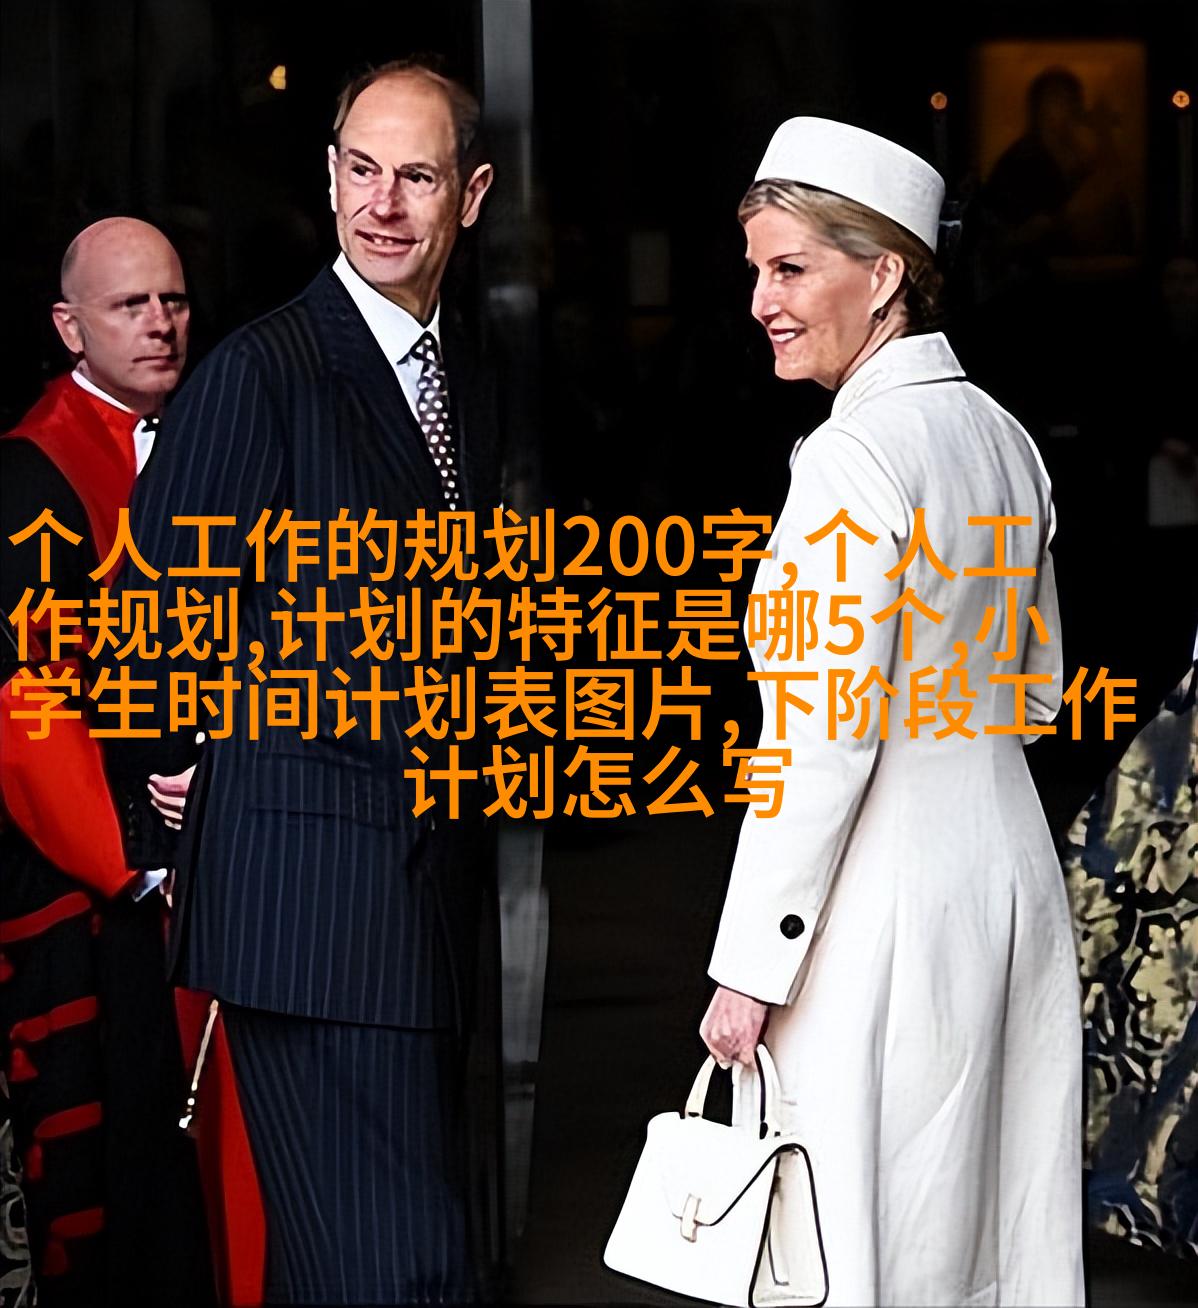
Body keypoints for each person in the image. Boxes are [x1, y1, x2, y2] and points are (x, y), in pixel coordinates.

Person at [114, 58, 497, 1304]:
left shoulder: (459, 373)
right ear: (329, 177)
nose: (382, 204)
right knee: (401, 1273)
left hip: (419, 894)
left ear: (470, 196)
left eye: (416, 177)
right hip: (309, 900)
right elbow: (155, 605)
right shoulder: (262, 372)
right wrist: (187, 770)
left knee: (355, 1268)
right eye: (360, 170)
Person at [698, 118, 1083, 1306]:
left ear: (883, 275)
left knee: (853, 1251)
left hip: (877, 907)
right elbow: (1037, 685)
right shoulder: (1000, 435)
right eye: (755, 269)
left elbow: (818, 739)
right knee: (994, 1248)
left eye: (790, 267)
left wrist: (749, 966)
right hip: (1009, 879)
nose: (761, 300)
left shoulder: (850, 458)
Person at [0, 218, 212, 1306]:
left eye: (172, 300)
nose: (159, 323)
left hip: (202, 844)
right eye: (131, 305)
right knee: (119, 1164)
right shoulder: (33, 470)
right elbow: (28, 704)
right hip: (104, 878)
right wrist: (133, 861)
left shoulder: (212, 433)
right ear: (69, 326)